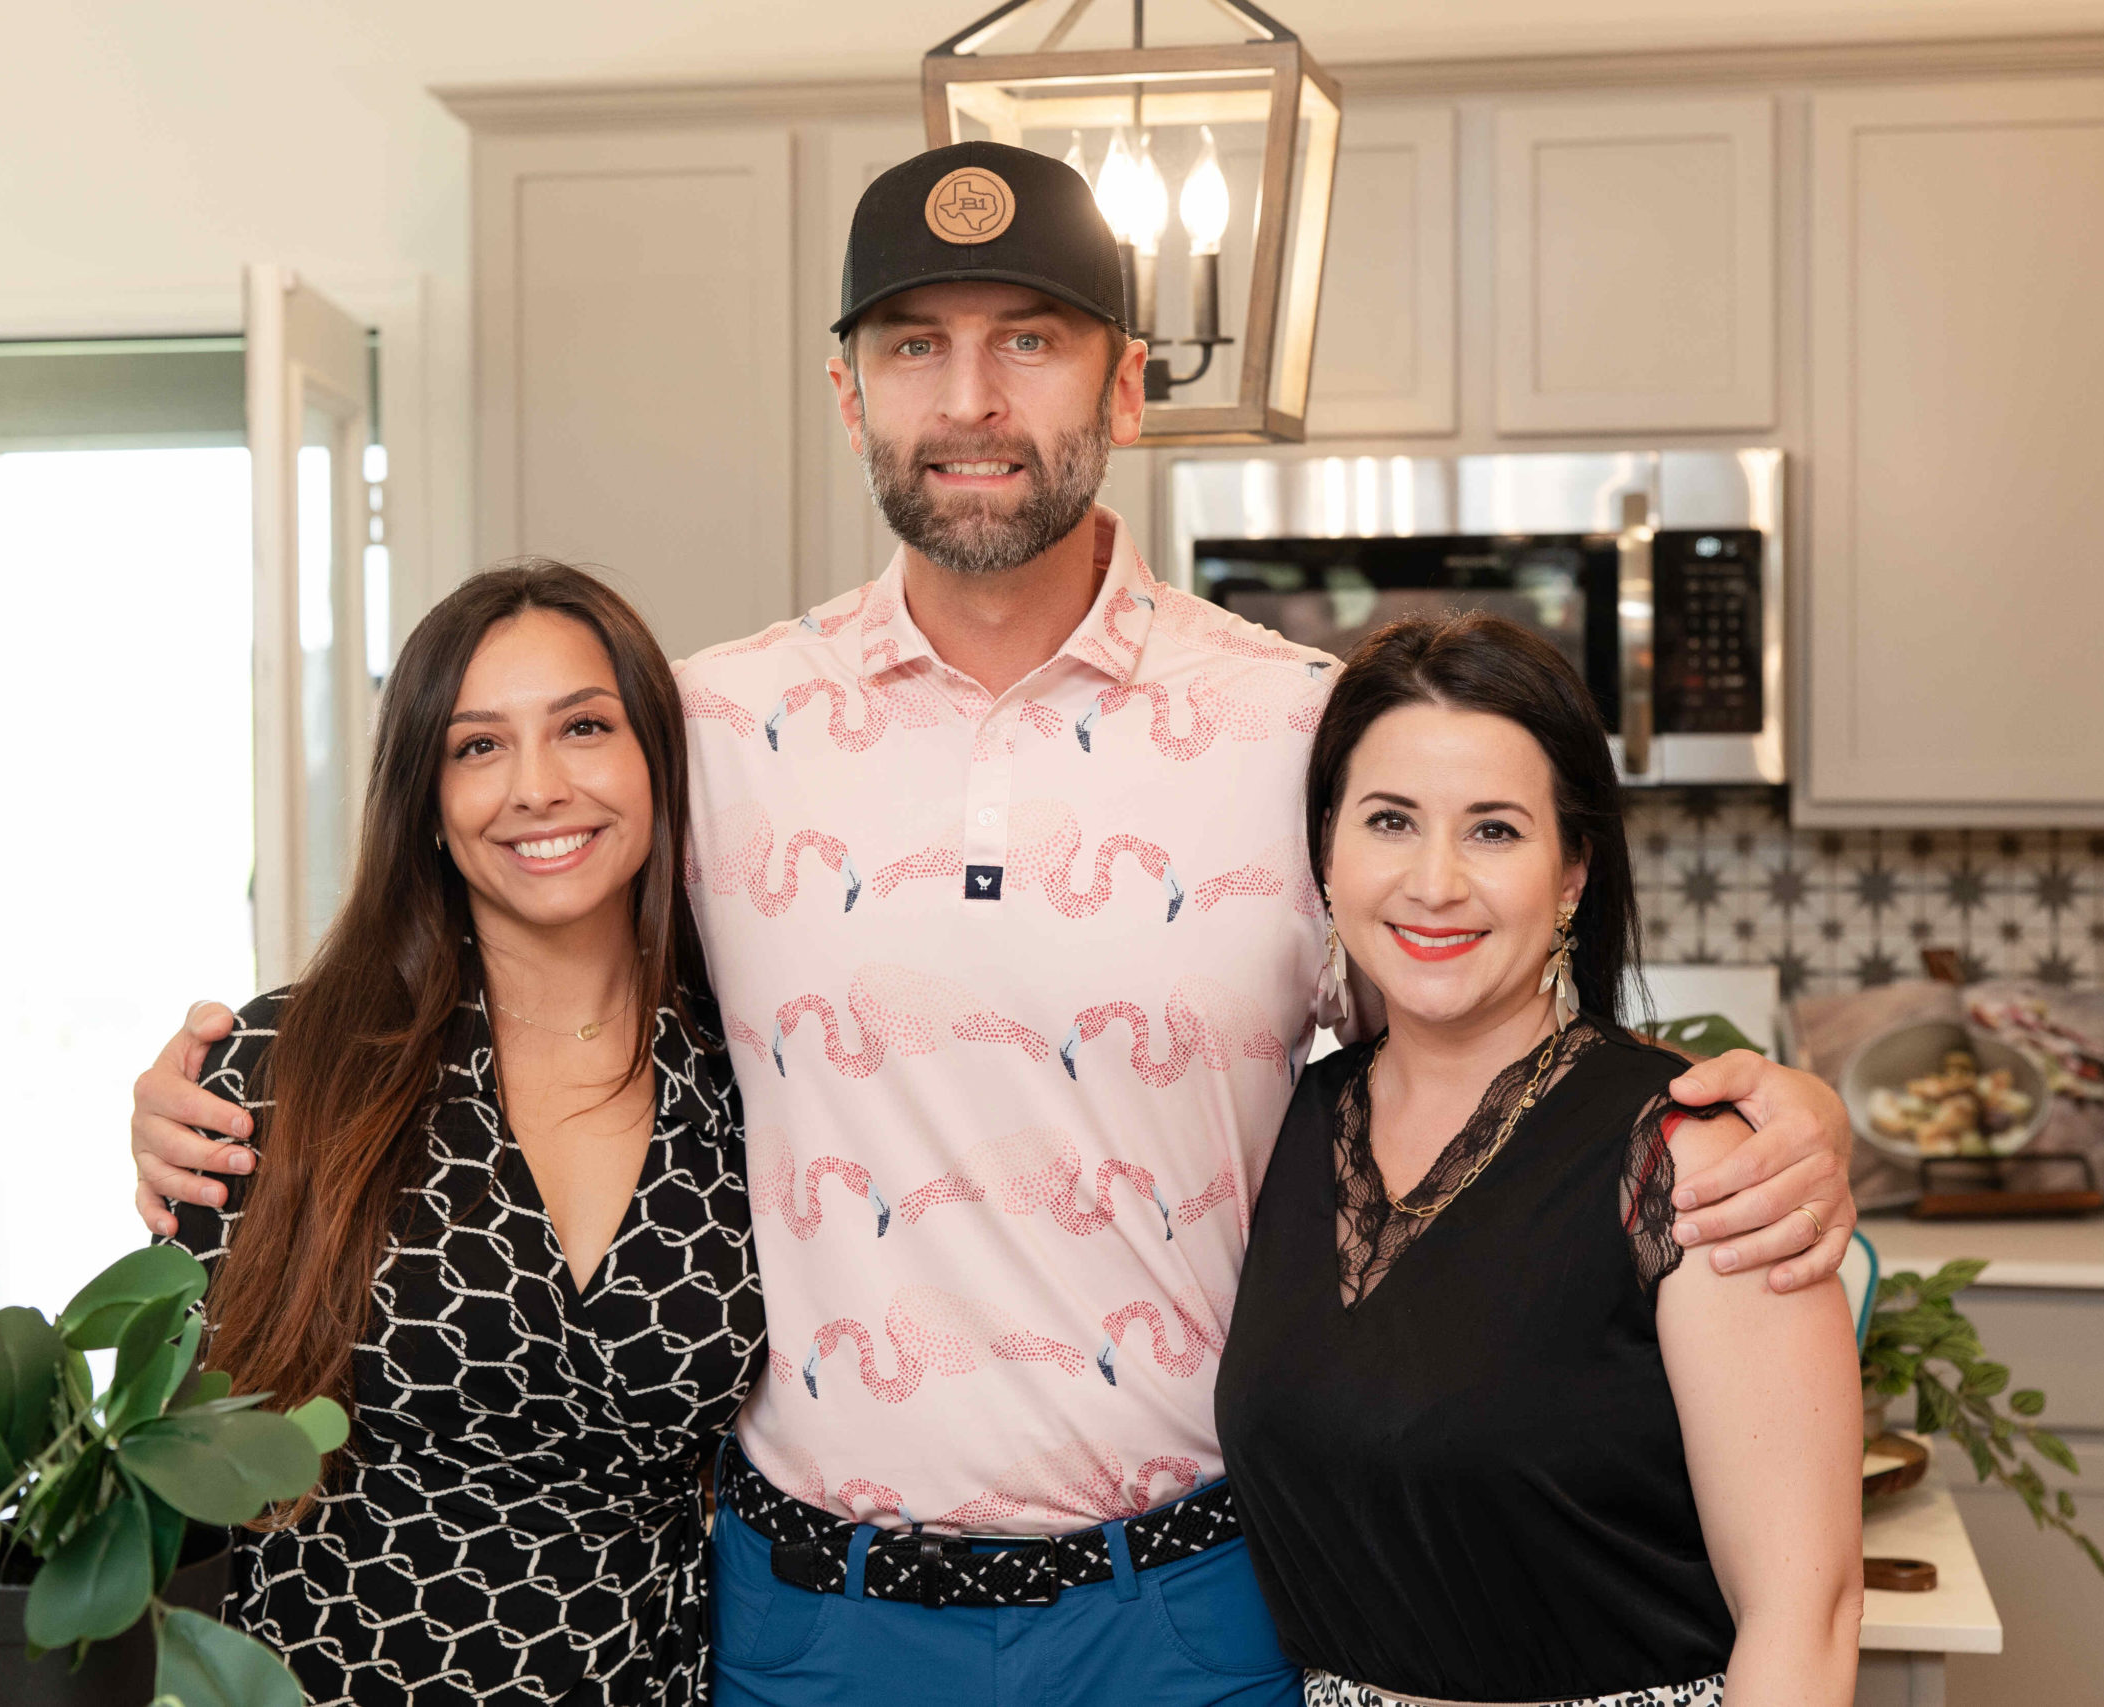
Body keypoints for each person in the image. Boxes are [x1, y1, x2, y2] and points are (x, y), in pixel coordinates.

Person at [131, 141, 1859, 1706]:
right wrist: (234, 1092)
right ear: (846, 390)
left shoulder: (1302, 732)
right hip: (810, 1618)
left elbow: (1488, 1038)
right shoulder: (711, 729)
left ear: (1124, 378)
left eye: (1028, 338)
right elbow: (516, 963)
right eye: (914, 347)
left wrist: (1789, 1104)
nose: (971, 398)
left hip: (1191, 1610)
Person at [1218, 611, 1863, 1707]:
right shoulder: (1285, 1118)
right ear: (1327, 848)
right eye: (1389, 821)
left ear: (1571, 874)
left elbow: (1807, 1614)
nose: (1433, 883)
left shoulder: (1688, 1161)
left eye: (1494, 832)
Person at [166, 563, 764, 1706]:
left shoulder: (755, 1078)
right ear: (427, 805)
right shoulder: (280, 1070)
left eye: (584, 727)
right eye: (477, 746)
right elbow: (185, 1458)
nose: (538, 787)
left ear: (656, 762)